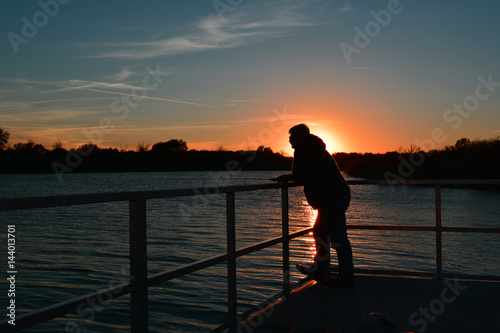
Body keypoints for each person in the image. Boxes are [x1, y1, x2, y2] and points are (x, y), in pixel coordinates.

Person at [271, 124, 354, 287]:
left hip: (332, 198)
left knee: (337, 238)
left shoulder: (303, 149)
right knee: (322, 232)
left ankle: (344, 278)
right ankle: (323, 270)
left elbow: (299, 176)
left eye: (292, 136)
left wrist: (285, 178)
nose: (290, 140)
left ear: (301, 137)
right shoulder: (316, 147)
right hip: (335, 196)